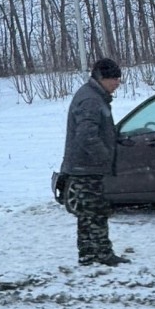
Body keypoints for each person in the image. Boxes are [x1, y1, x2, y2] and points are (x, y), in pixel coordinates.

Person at [60, 58, 130, 267]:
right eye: (114, 79)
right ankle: (102, 254)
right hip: (86, 168)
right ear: (102, 78)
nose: (117, 83)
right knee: (96, 211)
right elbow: (86, 136)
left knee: (87, 214)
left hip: (84, 166)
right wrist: (104, 157)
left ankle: (88, 255)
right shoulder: (91, 100)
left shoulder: (94, 96)